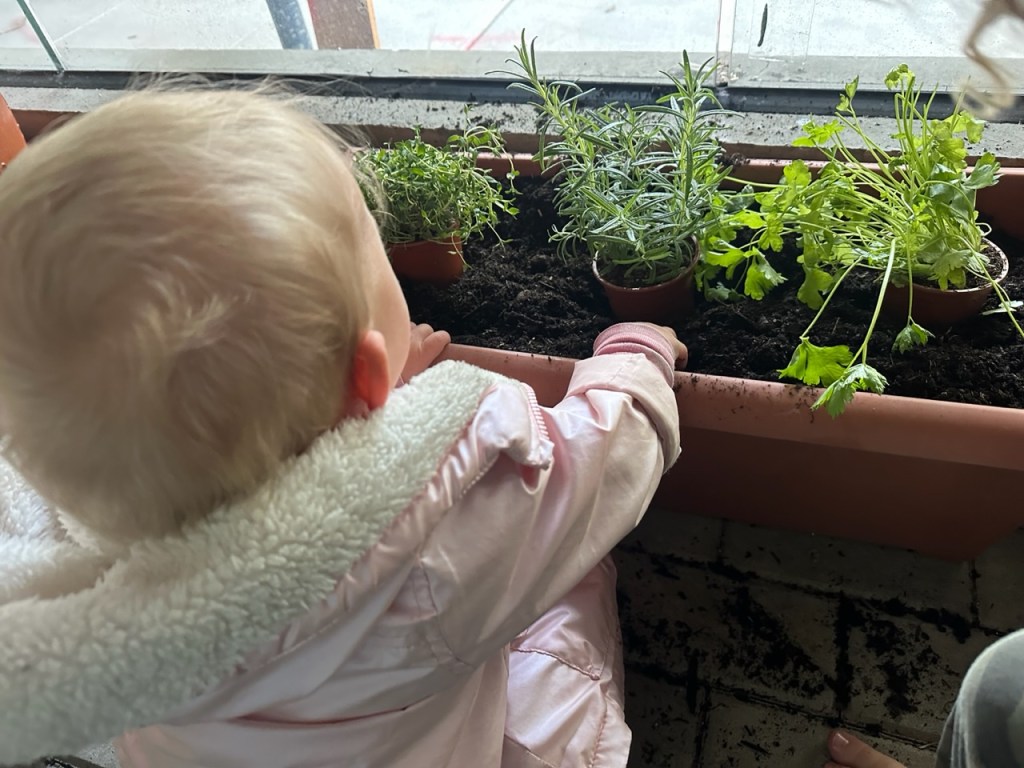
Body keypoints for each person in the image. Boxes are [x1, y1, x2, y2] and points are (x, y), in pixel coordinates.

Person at [0, 87, 685, 767]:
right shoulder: (434, 551)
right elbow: (607, 455)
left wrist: (367, 399)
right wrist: (634, 355)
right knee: (573, 578)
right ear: (367, 378)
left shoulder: (78, 599)